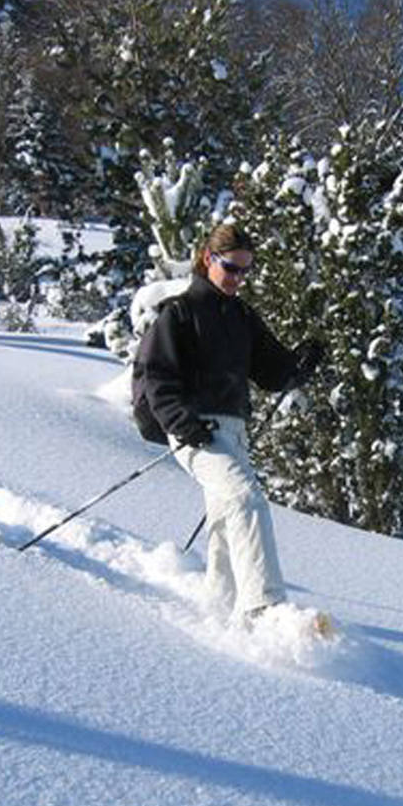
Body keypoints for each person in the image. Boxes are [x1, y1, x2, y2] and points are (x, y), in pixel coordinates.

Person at [139, 224, 323, 621]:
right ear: (208, 259)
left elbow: (271, 373)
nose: (239, 279)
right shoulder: (180, 313)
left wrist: (299, 366)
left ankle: (220, 604)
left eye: (246, 271)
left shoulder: (241, 315)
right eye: (232, 268)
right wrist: (181, 422)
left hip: (233, 432)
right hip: (195, 431)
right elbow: (157, 378)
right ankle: (264, 606)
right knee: (246, 498)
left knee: (225, 515)